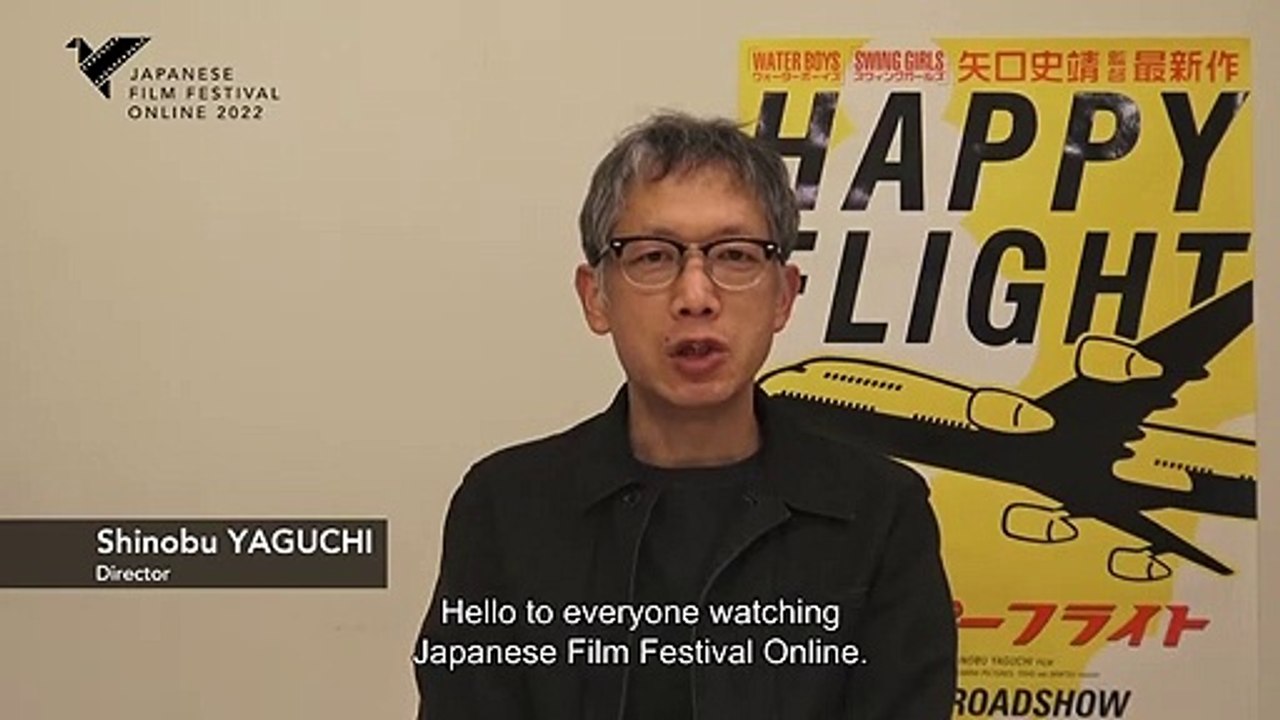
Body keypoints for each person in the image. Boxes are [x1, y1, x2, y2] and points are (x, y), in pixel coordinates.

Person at [413, 112, 956, 719]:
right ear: (596, 297)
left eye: (735, 255)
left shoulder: (880, 512)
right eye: (652, 257)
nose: (696, 296)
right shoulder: (505, 508)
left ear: (783, 296)